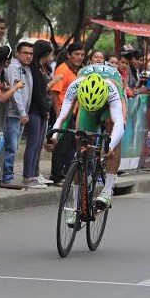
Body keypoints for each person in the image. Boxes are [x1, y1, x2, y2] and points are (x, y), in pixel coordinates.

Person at [46, 65, 126, 219]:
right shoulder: (75, 86)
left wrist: (110, 145)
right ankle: (77, 206)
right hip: (87, 102)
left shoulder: (113, 89)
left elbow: (119, 123)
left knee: (112, 129)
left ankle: (108, 191)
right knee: (81, 143)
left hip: (110, 105)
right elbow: (62, 117)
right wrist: (54, 138)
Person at [23, 41, 58, 188]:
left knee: (38, 145)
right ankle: (28, 176)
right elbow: (38, 93)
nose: (52, 57)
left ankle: (35, 174)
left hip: (42, 112)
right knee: (32, 144)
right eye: (50, 54)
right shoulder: (33, 69)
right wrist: (45, 110)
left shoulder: (40, 68)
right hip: (35, 111)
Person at [49, 42, 84, 184]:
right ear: (69, 55)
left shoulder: (79, 71)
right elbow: (54, 93)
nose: (80, 57)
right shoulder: (62, 69)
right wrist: (59, 116)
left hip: (73, 113)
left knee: (70, 146)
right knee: (59, 145)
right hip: (61, 113)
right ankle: (57, 176)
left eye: (82, 54)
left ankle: (66, 174)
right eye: (76, 54)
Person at [2, 42, 34, 185]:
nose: (28, 56)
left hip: (21, 114)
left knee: (14, 147)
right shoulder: (14, 68)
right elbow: (16, 93)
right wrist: (22, 112)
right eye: (25, 53)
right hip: (12, 113)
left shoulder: (26, 69)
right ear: (17, 53)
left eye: (31, 54)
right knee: (11, 145)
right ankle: (6, 176)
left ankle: (8, 174)